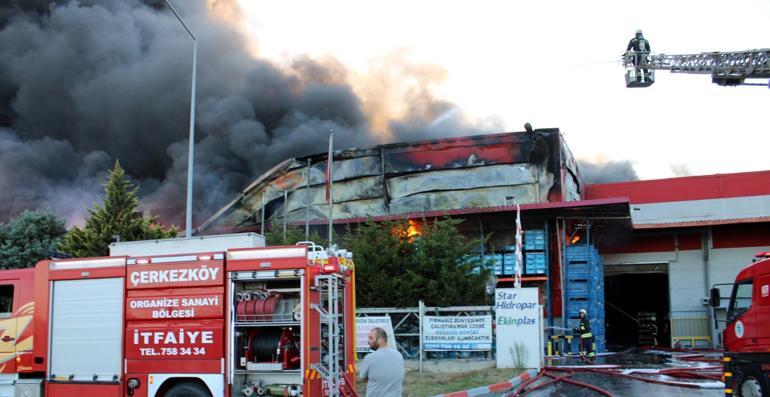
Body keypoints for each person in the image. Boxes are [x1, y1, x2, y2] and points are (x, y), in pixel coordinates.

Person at [359, 327, 404, 397]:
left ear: (380, 339)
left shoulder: (370, 358)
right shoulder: (399, 355)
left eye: (371, 338)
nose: (368, 341)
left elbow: (363, 378)